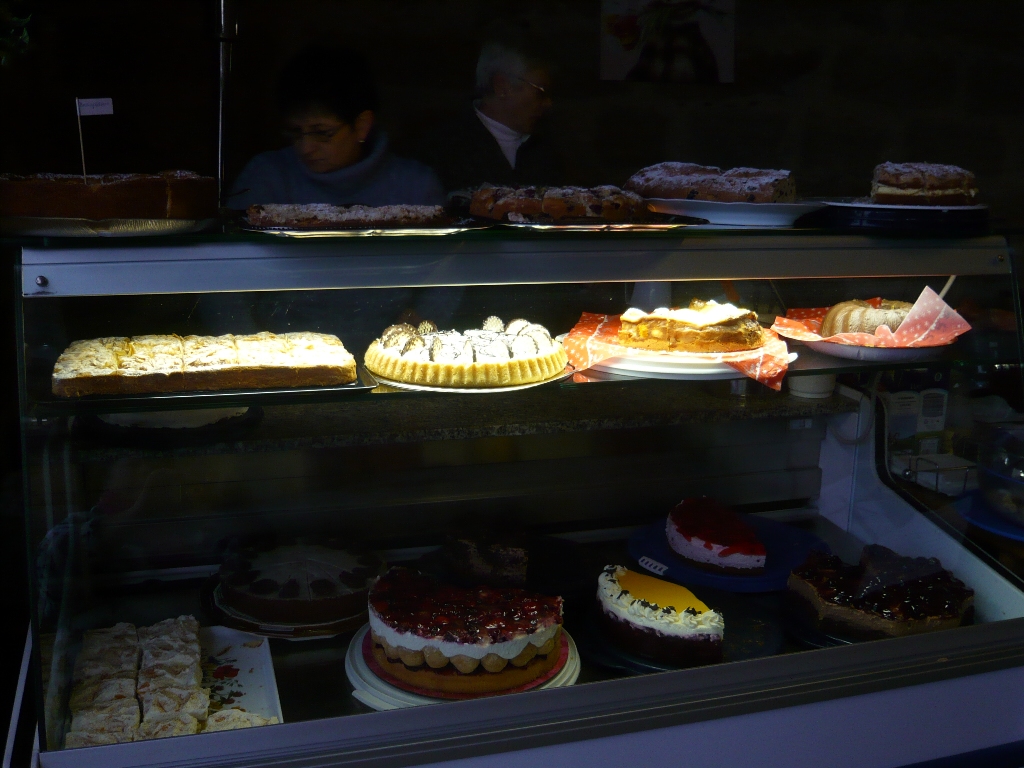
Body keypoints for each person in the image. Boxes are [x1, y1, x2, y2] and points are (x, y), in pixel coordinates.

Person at [228, 46, 443, 209]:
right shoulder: (266, 177)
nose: (305, 148)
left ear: (362, 125)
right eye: (296, 132)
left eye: (322, 133)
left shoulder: (415, 187)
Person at [418, 34, 562, 192]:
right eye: (541, 92)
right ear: (501, 86)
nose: (548, 103)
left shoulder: (546, 148)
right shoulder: (443, 150)